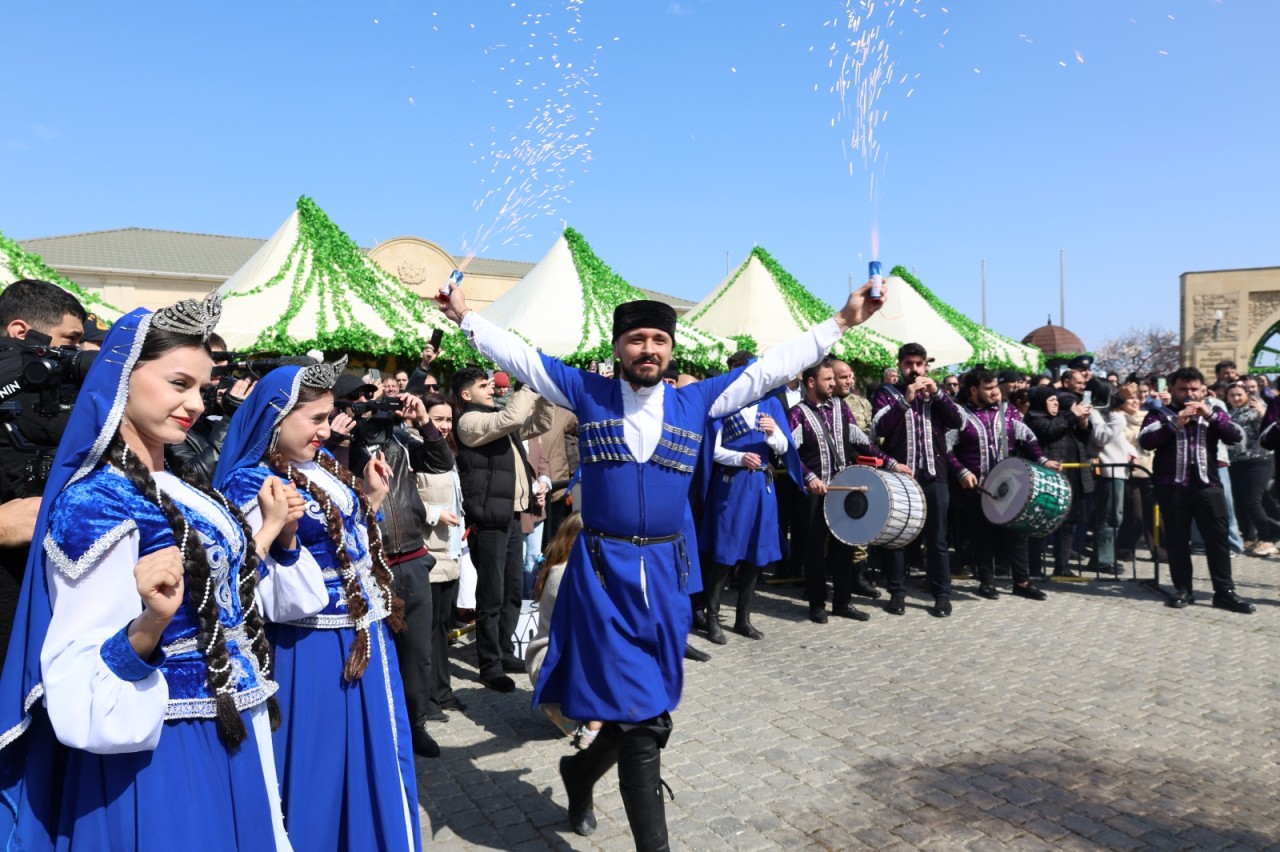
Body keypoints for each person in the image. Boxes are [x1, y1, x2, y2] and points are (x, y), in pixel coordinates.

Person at [440, 278, 886, 849]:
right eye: (635, 339)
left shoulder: (696, 400)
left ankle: (580, 772)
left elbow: (770, 369)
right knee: (645, 722)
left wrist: (842, 323)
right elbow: (521, 357)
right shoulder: (585, 390)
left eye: (658, 340)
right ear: (618, 347)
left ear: (671, 349)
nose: (647, 349)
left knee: (642, 712)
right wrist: (465, 317)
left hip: (667, 578)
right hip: (602, 576)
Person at [0, 294, 328, 850]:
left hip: (233, 726)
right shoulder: (97, 502)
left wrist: (272, 533)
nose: (196, 403)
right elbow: (80, 680)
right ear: (123, 378)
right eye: (179, 384)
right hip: (163, 748)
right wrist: (150, 624)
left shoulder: (179, 485)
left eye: (202, 388)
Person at [214, 359, 423, 851]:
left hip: (361, 633)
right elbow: (259, 586)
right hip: (310, 645)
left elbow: (343, 545)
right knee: (320, 764)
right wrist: (280, 532)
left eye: (329, 418)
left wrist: (369, 497)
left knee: (375, 754)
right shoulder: (251, 483)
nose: (326, 430)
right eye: (316, 419)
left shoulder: (321, 466)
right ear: (277, 417)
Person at [451, 367, 554, 692]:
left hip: (511, 516)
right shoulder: (470, 421)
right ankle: (489, 665)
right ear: (466, 395)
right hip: (489, 520)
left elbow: (541, 423)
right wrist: (526, 382)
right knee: (491, 595)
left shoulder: (496, 418)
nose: (492, 388)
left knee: (511, 592)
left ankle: (506, 651)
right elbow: (510, 419)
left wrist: (542, 390)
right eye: (483, 385)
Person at [699, 350, 802, 641]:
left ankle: (743, 618)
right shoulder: (722, 404)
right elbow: (712, 450)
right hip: (731, 486)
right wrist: (739, 458)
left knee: (757, 554)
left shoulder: (770, 403)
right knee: (724, 553)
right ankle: (712, 619)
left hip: (761, 487)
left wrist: (773, 434)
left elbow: (784, 448)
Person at [790, 359, 901, 623]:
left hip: (843, 490)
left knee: (844, 548)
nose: (834, 384)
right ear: (811, 382)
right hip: (814, 494)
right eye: (828, 379)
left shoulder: (841, 407)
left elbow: (863, 444)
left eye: (834, 379)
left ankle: (843, 602)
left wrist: (892, 463)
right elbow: (787, 453)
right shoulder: (796, 413)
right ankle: (816, 604)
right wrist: (809, 477)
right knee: (815, 550)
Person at [1139, 367, 1254, 613]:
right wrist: (1174, 423)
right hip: (1172, 486)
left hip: (1208, 486)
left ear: (1203, 389)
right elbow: (1146, 441)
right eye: (1183, 389)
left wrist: (1211, 415)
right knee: (1178, 540)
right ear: (1171, 389)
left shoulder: (1215, 412)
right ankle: (1183, 589)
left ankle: (1224, 592)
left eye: (1194, 389)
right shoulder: (1159, 414)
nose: (1189, 393)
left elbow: (1236, 436)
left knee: (1218, 540)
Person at [871, 342, 965, 617]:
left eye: (918, 364)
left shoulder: (936, 395)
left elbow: (959, 421)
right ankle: (897, 593)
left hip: (935, 477)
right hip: (901, 477)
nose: (914, 369)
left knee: (937, 540)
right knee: (898, 538)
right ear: (900, 366)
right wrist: (905, 399)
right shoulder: (887, 393)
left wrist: (937, 394)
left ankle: (941, 595)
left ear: (926, 366)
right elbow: (880, 427)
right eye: (908, 364)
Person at [948, 369, 1057, 600]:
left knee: (1018, 535)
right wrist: (962, 472)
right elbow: (946, 449)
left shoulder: (1010, 413)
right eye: (988, 389)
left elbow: (1028, 439)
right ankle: (987, 582)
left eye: (996, 387)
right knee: (983, 536)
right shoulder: (959, 415)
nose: (995, 393)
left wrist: (1043, 460)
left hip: (1010, 487)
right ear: (974, 390)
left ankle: (1022, 582)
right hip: (977, 489)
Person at [526, 513, 600, 745]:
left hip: (563, 652)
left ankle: (576, 710)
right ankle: (592, 719)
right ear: (573, 542)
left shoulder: (573, 570)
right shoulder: (562, 575)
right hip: (549, 659)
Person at [417, 392, 468, 718]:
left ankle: (443, 691)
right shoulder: (414, 450)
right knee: (426, 633)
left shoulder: (450, 453)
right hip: (428, 553)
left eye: (449, 419)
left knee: (441, 630)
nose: (445, 426)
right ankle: (429, 699)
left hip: (450, 552)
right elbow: (404, 499)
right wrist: (435, 513)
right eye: (438, 419)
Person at [1224, 382, 1278, 555]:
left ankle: (1267, 539)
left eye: (1239, 394)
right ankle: (1249, 537)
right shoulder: (1229, 413)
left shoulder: (1257, 410)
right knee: (1240, 500)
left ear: (1247, 394)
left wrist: (1263, 413)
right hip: (1236, 462)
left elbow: (1270, 429)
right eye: (1232, 395)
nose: (1236, 398)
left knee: (1252, 500)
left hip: (1259, 460)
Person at [1088, 382, 1137, 574]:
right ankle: (1102, 559)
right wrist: (1118, 417)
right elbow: (1100, 437)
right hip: (1107, 470)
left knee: (1115, 516)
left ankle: (1105, 555)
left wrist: (1131, 451)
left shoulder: (1110, 414)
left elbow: (1119, 440)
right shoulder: (1095, 412)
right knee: (1109, 517)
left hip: (1118, 469)